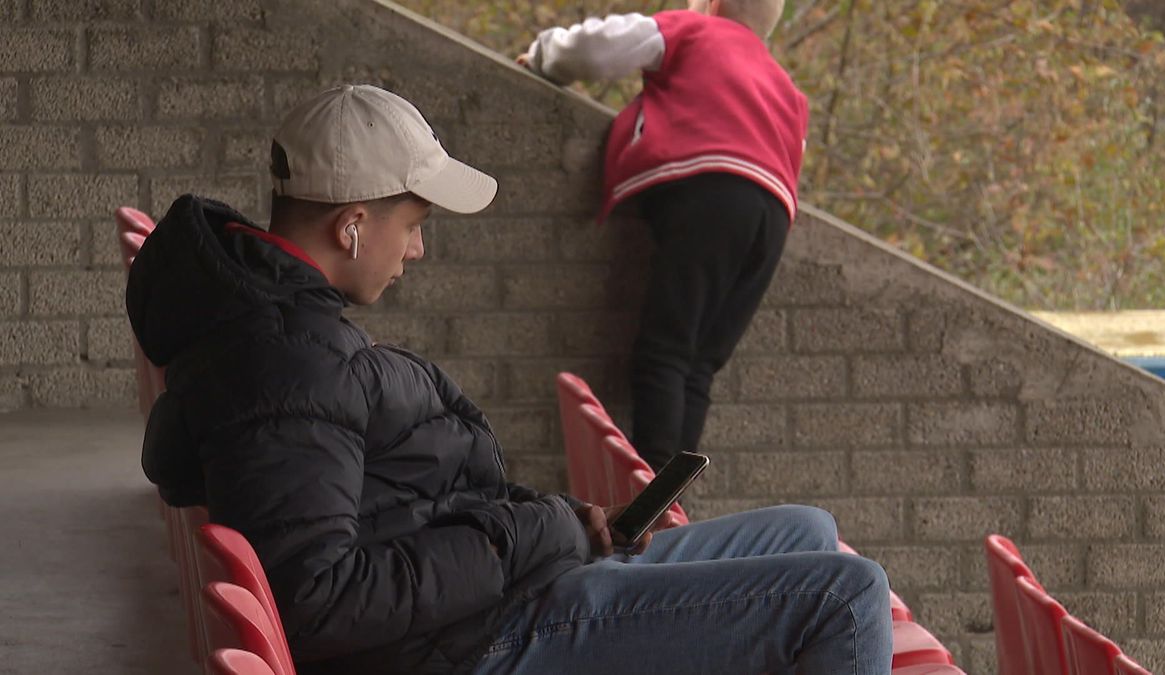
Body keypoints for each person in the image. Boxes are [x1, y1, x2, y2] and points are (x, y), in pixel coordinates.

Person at [128, 84, 891, 674]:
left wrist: (555, 523)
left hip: (499, 600)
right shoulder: (286, 366)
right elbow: (320, 600)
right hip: (481, 646)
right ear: (351, 224)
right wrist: (532, 531)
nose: (418, 249)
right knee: (846, 597)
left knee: (809, 529)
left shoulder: (282, 335)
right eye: (414, 222)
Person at [519, 0, 809, 472]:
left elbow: (598, 50)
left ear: (710, 3)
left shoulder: (694, 32)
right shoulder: (787, 88)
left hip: (711, 191)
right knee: (699, 365)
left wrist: (542, 56)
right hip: (772, 218)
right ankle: (672, 499)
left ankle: (649, 499)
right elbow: (794, 149)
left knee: (664, 349)